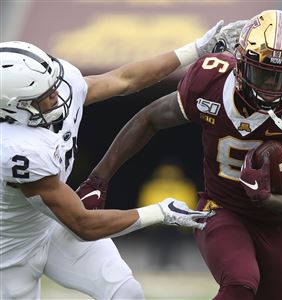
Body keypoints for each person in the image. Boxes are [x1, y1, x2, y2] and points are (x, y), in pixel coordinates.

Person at [0, 20, 246, 300]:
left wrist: (195, 49)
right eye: (45, 96)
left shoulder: (58, 85)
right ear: (14, 108)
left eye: (53, 86)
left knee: (127, 293)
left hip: (51, 227)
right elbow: (83, 224)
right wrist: (159, 213)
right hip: (9, 250)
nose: (58, 97)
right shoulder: (15, 148)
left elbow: (123, 79)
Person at [84, 10, 282, 300]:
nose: (269, 90)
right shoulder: (210, 82)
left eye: (280, 78)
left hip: (280, 222)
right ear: (240, 61)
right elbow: (149, 117)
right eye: (262, 73)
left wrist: (268, 199)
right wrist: (98, 178)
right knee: (240, 281)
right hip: (222, 208)